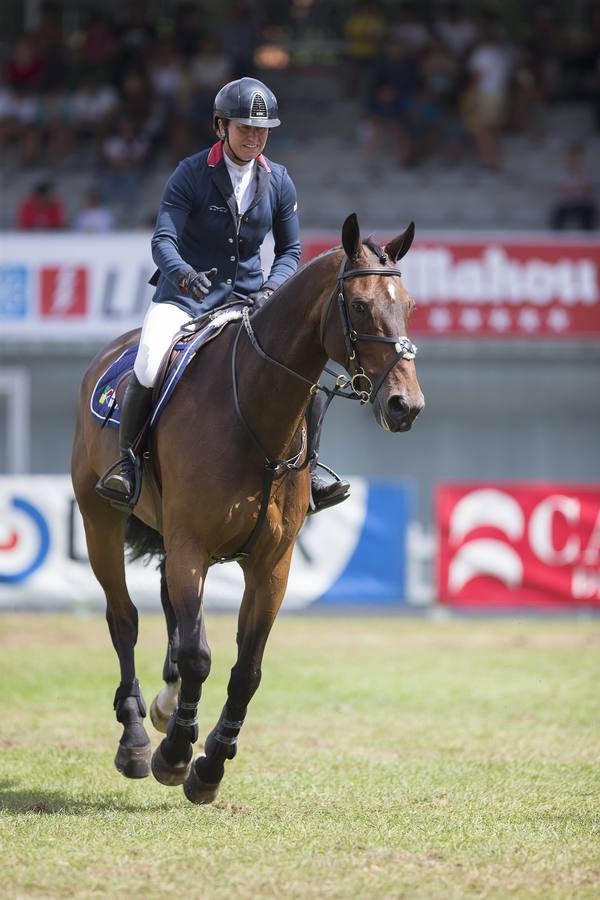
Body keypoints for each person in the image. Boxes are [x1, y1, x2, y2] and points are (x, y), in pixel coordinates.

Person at [97, 77, 350, 513]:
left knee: (298, 367)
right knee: (150, 358)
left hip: (252, 300)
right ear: (221, 126)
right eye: (244, 128)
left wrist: (272, 288)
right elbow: (163, 240)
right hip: (186, 298)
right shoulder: (191, 173)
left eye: (262, 129)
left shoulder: (279, 181)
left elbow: (290, 250)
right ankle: (129, 464)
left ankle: (311, 469)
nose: (254, 138)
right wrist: (182, 275)